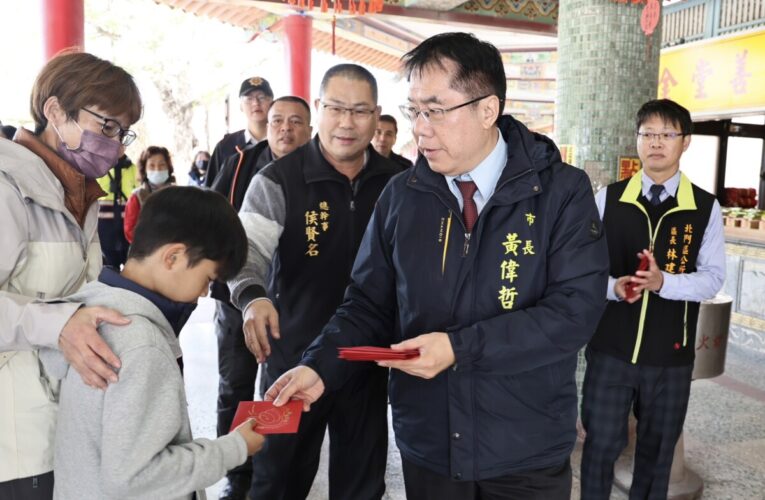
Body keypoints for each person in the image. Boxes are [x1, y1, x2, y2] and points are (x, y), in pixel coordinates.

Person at [266, 33, 609, 500]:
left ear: (488, 110)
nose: (420, 129)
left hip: (525, 449)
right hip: (431, 447)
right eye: (414, 111)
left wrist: (458, 349)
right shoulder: (402, 196)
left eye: (435, 110)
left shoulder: (561, 193)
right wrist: (320, 366)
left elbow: (574, 314)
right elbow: (367, 306)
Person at [227, 64, 400, 500]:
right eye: (337, 108)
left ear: (377, 115)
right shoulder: (277, 180)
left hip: (365, 360)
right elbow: (246, 253)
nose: (347, 122)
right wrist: (252, 299)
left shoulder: (400, 182)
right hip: (288, 360)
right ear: (320, 108)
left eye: (360, 111)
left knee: (361, 485)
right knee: (274, 480)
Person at [39, 186, 264, 499]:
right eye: (208, 279)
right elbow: (135, 477)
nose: (202, 293)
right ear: (173, 257)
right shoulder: (141, 344)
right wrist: (235, 447)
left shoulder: (89, 314)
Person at [0, 51, 141, 498]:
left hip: (65, 420)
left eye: (124, 132)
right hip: (14, 436)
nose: (116, 145)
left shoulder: (78, 195)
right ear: (56, 112)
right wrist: (58, 324)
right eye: (107, 126)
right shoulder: (9, 189)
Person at [580, 99, 725, 499]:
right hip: (610, 350)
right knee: (600, 449)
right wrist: (614, 287)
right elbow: (582, 271)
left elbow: (712, 279)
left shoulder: (704, 207)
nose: (656, 143)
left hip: (670, 357)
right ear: (637, 140)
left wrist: (664, 283)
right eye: (648, 134)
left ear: (686, 142)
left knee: (657, 456)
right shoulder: (607, 199)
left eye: (667, 134)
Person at [209, 95, 312, 499]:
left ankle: (275, 466)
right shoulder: (239, 163)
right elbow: (210, 215)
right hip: (239, 297)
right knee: (235, 383)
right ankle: (237, 470)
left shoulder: (322, 174)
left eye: (296, 122)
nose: (285, 129)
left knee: (281, 390)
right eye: (277, 121)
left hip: (293, 307)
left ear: (309, 129)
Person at [204, 77, 274, 188]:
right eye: (249, 99)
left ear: (272, 103)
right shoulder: (225, 146)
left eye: (262, 97)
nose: (256, 103)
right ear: (241, 106)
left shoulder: (281, 142)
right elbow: (209, 190)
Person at [123, 145, 176, 243]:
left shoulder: (179, 195)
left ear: (168, 167)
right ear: (144, 169)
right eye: (152, 165)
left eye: (162, 165)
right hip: (146, 251)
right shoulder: (137, 197)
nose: (157, 169)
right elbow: (130, 230)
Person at [96, 154, 140, 269]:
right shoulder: (97, 168)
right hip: (104, 230)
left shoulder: (134, 169)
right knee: (108, 271)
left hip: (128, 229)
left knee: (132, 271)